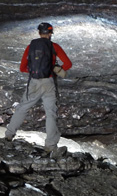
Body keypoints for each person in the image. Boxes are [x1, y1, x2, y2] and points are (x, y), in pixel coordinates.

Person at [5, 22, 72, 152]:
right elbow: (68, 64)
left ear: (39, 33)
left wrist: (35, 72)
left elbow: (22, 68)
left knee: (22, 108)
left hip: (34, 82)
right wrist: (55, 69)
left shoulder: (31, 46)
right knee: (50, 113)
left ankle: (8, 136)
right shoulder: (54, 46)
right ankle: (50, 146)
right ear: (50, 33)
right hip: (49, 82)